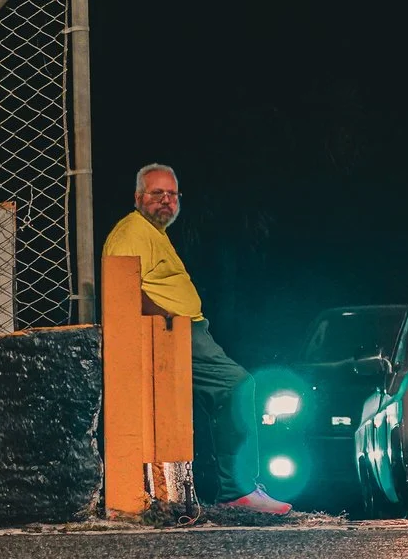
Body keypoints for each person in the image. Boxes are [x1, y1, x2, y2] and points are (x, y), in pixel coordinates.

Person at [102, 164, 290, 515]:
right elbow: (124, 285)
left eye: (172, 195)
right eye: (157, 193)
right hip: (174, 332)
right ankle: (239, 491)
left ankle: (235, 489)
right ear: (138, 197)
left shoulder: (152, 233)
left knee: (223, 398)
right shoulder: (132, 231)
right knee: (236, 386)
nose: (166, 201)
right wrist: (168, 319)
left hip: (184, 331)